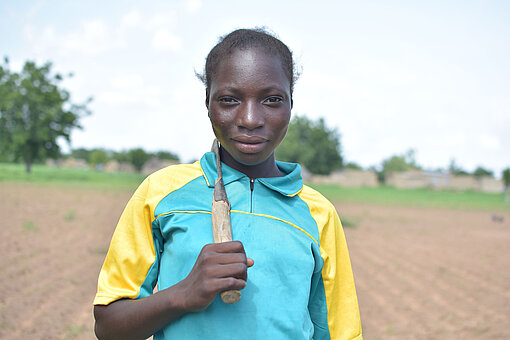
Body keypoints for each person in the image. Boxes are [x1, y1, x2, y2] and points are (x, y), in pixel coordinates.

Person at [93, 28, 362, 340]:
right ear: (208, 102)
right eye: (229, 99)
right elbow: (108, 326)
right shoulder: (162, 194)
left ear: (291, 103)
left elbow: (339, 333)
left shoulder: (318, 214)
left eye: (272, 99)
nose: (250, 118)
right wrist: (183, 293)